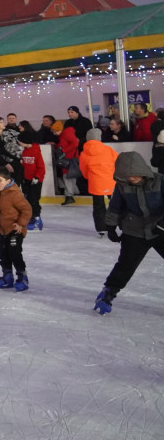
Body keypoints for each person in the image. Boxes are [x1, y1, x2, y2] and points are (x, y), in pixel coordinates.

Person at [93, 152, 164, 314]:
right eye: (127, 176)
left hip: (160, 229)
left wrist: (161, 225)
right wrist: (110, 226)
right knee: (125, 265)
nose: (131, 179)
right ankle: (108, 293)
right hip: (135, 230)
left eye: (134, 175)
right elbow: (115, 207)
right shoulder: (122, 186)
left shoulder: (160, 181)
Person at [0, 166, 32, 291]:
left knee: (14, 253)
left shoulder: (15, 195)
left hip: (15, 229)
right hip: (3, 230)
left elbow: (27, 209)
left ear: (8, 181)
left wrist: (21, 224)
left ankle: (22, 277)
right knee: (3, 254)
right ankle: (7, 276)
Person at [79, 129, 118, 237]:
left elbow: (83, 169)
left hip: (95, 182)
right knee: (116, 204)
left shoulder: (84, 153)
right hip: (111, 181)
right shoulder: (108, 150)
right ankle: (120, 225)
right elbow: (117, 162)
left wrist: (89, 177)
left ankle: (101, 228)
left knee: (98, 206)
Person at [18, 127, 45, 231]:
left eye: (20, 141)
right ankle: (30, 217)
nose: (19, 143)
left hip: (36, 180)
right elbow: (24, 167)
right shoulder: (24, 152)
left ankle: (36, 217)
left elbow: (41, 167)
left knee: (34, 200)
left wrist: (37, 177)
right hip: (27, 179)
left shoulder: (36, 151)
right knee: (27, 200)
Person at [57, 124, 81, 206]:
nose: (54, 134)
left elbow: (75, 143)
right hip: (69, 159)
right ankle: (74, 192)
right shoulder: (64, 135)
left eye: (55, 131)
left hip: (69, 160)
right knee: (70, 177)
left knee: (67, 177)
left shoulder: (66, 134)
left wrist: (64, 150)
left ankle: (69, 195)